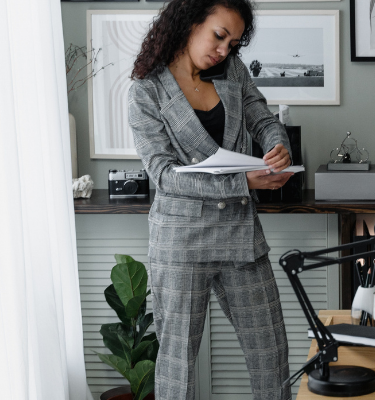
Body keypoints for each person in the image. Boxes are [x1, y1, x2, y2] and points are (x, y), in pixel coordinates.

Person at [127, 0, 293, 399]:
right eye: (219, 36)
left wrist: (278, 145)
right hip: (181, 243)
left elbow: (263, 117)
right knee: (177, 365)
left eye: (233, 43)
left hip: (241, 238)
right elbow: (164, 175)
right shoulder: (146, 89)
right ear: (188, 22)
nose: (224, 50)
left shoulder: (231, 71)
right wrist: (243, 184)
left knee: (272, 357)